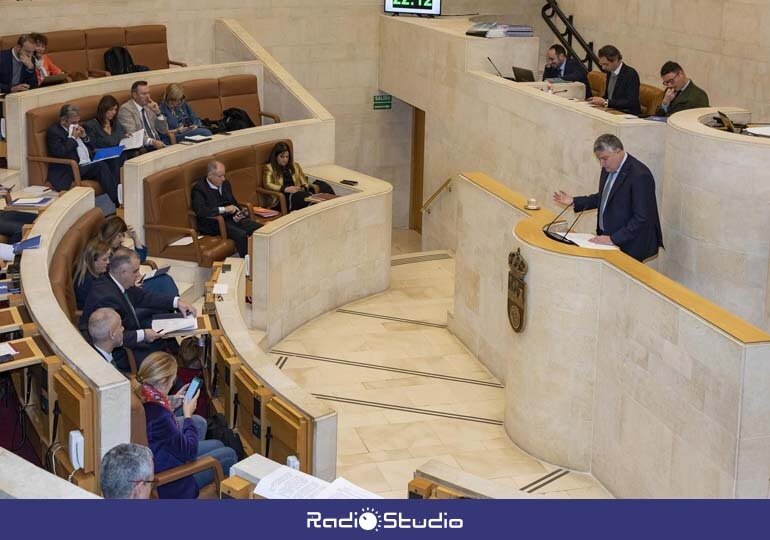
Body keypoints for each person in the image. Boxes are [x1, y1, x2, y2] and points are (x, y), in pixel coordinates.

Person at [136, 352, 237, 499]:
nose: (174, 381)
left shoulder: (143, 395)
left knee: (217, 443)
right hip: (173, 482)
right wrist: (188, 414)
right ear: (164, 381)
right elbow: (189, 451)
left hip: (162, 457)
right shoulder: (160, 417)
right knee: (229, 453)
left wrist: (169, 401)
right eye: (173, 378)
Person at [552, 134, 663, 262]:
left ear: (618, 152)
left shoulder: (640, 175)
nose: (601, 164)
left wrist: (612, 239)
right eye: (599, 159)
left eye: (604, 158)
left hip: (629, 245)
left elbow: (641, 217)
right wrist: (574, 201)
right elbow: (605, 197)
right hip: (608, 239)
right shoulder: (608, 167)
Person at [79, 247, 196, 369]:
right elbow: (111, 337)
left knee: (163, 322)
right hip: (124, 352)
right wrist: (144, 334)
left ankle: (180, 363)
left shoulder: (116, 280)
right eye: (135, 271)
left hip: (129, 330)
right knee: (163, 365)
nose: (138, 275)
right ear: (123, 272)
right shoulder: (105, 298)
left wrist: (177, 303)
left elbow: (144, 296)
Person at [45, 104, 121, 206]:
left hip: (88, 161)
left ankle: (118, 194)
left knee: (115, 159)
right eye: (73, 123)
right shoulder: (54, 132)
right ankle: (117, 201)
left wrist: (84, 136)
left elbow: (93, 146)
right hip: (72, 168)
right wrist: (72, 138)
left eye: (78, 122)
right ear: (63, 120)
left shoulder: (79, 127)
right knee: (100, 166)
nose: (77, 125)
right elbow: (60, 152)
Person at [192, 160, 261, 257]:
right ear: (210, 175)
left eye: (224, 175)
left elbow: (233, 202)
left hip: (231, 219)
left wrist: (238, 213)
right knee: (241, 235)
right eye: (220, 176)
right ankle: (246, 266)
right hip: (214, 223)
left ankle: (261, 259)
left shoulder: (225, 184)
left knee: (260, 229)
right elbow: (201, 211)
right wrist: (224, 209)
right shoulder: (199, 189)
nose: (223, 179)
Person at [99, 215, 179, 298]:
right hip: (125, 292)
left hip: (132, 284)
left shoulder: (116, 248)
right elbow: (110, 282)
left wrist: (135, 237)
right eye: (119, 236)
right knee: (163, 282)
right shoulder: (103, 256)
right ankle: (177, 307)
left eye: (123, 235)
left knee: (164, 278)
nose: (122, 239)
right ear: (111, 234)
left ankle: (177, 306)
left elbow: (139, 258)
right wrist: (131, 286)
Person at [263, 141, 335, 212]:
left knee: (323, 185)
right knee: (302, 196)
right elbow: (267, 184)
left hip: (298, 191)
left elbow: (304, 181)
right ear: (275, 156)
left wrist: (304, 187)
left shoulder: (295, 165)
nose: (285, 159)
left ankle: (333, 206)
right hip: (283, 197)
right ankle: (319, 207)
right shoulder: (269, 168)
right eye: (282, 157)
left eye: (287, 157)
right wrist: (285, 189)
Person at [586, 45, 640, 116]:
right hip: (612, 111)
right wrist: (598, 100)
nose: (603, 67)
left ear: (616, 60)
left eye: (606, 64)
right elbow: (609, 96)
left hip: (626, 114)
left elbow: (630, 102)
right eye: (602, 64)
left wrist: (605, 102)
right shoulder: (610, 72)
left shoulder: (630, 74)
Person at [117, 80, 168, 151]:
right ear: (134, 95)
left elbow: (163, 130)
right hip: (143, 147)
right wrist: (152, 142)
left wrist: (158, 113)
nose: (148, 97)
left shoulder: (149, 106)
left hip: (158, 143)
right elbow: (133, 134)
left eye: (148, 93)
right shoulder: (126, 109)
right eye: (144, 94)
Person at [74, 238, 111, 310]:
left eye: (108, 258)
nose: (108, 262)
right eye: (104, 259)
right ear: (92, 261)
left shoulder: (99, 273)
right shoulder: (87, 282)